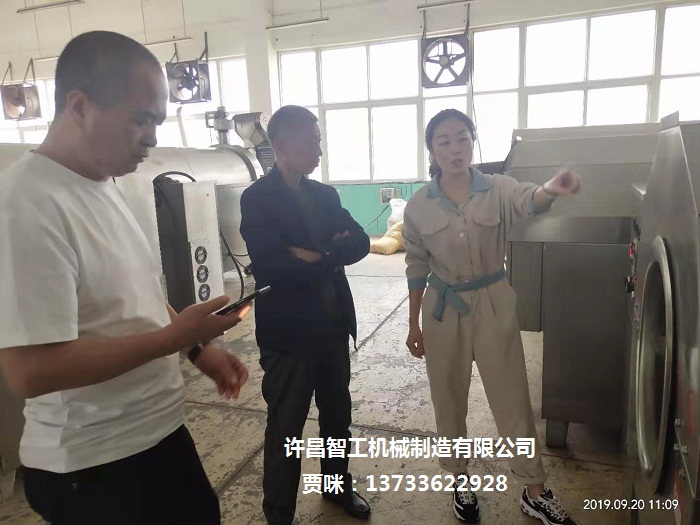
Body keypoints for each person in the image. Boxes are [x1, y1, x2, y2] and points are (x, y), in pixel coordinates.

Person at [0, 31, 251, 525]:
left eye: (157, 121)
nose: (152, 138)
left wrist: (196, 349)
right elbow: (30, 370)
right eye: (140, 119)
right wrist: (175, 338)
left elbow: (138, 296)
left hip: (154, 432)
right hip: (94, 465)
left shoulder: (100, 182)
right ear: (80, 106)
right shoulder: (25, 203)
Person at [403, 109, 582, 525]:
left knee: (512, 396)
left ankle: (534, 490)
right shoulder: (418, 205)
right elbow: (415, 266)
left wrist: (552, 188)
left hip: (493, 300)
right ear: (431, 150)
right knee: (448, 396)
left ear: (473, 141)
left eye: (462, 138)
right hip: (443, 308)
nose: (455, 148)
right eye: (444, 141)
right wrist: (413, 323)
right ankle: (460, 481)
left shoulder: (498, 188)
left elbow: (530, 199)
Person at [239, 105, 372, 525]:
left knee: (336, 418)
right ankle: (279, 514)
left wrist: (316, 255)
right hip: (289, 336)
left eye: (319, 140)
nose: (319, 149)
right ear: (282, 145)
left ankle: (336, 487)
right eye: (311, 141)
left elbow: (361, 242)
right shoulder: (257, 199)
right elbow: (271, 266)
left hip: (332, 327)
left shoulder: (325, 195)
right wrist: (326, 254)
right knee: (286, 429)